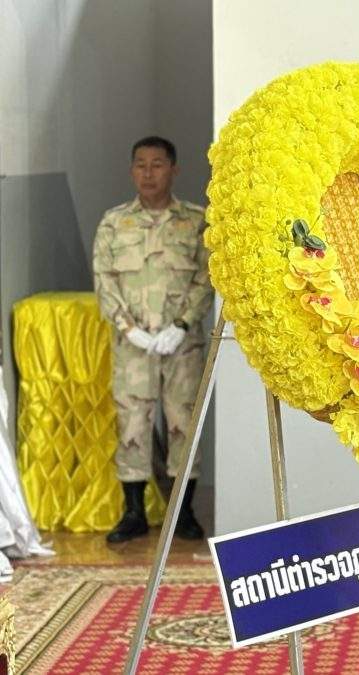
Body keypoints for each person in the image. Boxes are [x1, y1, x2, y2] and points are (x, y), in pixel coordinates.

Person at [92, 136, 212, 543]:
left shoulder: (196, 222)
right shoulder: (114, 222)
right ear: (131, 171)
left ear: (174, 170)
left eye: (157, 164)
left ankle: (183, 512)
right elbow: (104, 280)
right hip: (133, 345)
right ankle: (134, 513)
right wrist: (131, 330)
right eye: (140, 165)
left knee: (184, 422)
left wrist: (181, 324)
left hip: (183, 344)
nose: (148, 173)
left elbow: (206, 277)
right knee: (132, 424)